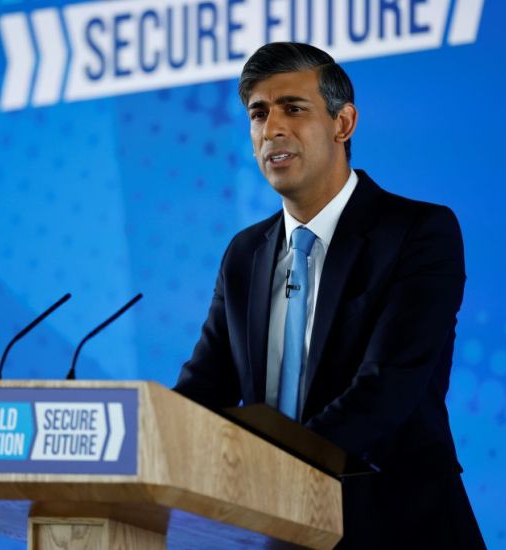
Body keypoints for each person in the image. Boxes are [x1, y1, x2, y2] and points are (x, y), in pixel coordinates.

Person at [173, 42, 486, 549]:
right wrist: (144, 444)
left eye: (293, 108)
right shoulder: (244, 254)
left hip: (399, 528)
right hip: (279, 531)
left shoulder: (417, 232)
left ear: (343, 123)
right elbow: (204, 390)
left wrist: (269, 471)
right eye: (258, 113)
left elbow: (386, 389)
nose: (272, 128)